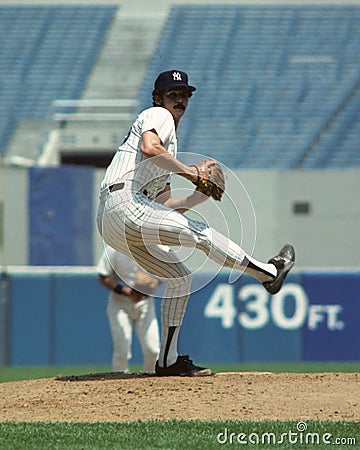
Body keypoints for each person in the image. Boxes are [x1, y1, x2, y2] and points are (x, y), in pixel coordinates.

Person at [97, 69, 295, 376]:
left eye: (184, 95)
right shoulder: (157, 116)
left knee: (180, 278)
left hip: (119, 221)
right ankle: (269, 273)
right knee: (201, 234)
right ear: (158, 98)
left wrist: (196, 197)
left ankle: (167, 361)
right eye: (172, 94)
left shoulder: (170, 147)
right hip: (123, 205)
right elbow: (150, 148)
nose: (179, 100)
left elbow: (162, 205)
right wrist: (191, 172)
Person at [97, 245, 160, 374]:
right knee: (122, 350)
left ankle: (151, 381)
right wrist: (125, 291)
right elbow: (103, 276)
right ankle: (118, 384)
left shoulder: (155, 245)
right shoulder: (114, 247)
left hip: (145, 302)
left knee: (153, 349)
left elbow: (169, 272)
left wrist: (154, 282)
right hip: (120, 302)